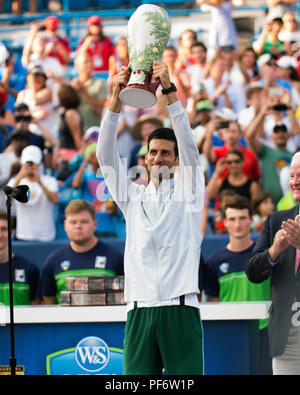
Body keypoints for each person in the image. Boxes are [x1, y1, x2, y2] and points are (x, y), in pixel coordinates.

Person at [97, 62, 205, 375]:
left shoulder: (189, 193)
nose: (159, 157)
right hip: (139, 309)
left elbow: (188, 144)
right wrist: (115, 100)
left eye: (166, 153)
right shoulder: (131, 197)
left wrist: (170, 94)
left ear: (176, 161)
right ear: (145, 157)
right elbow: (105, 156)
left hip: (180, 307)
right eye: (153, 152)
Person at [203, 194, 272, 373]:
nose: (238, 224)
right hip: (229, 333)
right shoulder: (213, 262)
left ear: (251, 219)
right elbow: (213, 302)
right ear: (224, 222)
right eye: (232, 219)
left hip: (264, 333)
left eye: (242, 218)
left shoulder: (266, 256)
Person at [246, 151, 300, 375]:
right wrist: (274, 250)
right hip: (286, 334)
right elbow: (253, 271)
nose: (295, 182)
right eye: (291, 176)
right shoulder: (276, 220)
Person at [41, 199, 124, 304]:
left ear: (94, 224)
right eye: (73, 222)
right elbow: (49, 302)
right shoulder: (53, 261)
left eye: (84, 222)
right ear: (65, 225)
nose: (78, 226)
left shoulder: (115, 256)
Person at [245, 99, 294, 204]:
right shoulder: (266, 151)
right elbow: (249, 136)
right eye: (276, 131)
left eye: (283, 131)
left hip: (291, 204)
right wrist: (262, 114)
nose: (280, 133)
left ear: (288, 136)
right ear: (272, 137)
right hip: (270, 205)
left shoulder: (294, 156)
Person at [8, 145, 58, 241]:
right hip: (24, 234)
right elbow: (8, 200)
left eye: (33, 163)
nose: (30, 166)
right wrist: (19, 177)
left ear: (39, 163)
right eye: (28, 162)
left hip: (46, 235)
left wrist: (40, 182)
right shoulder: (15, 182)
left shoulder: (50, 181)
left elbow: (55, 200)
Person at [0, 210, 40, 306]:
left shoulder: (29, 269)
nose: (0, 235)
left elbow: (36, 311)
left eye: (4, 229)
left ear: (12, 233)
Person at [72, 52, 107, 132]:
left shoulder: (100, 83)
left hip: (93, 131)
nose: (89, 64)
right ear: (77, 65)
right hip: (76, 132)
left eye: (90, 61)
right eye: (85, 62)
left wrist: (84, 92)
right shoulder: (72, 85)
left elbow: (99, 110)